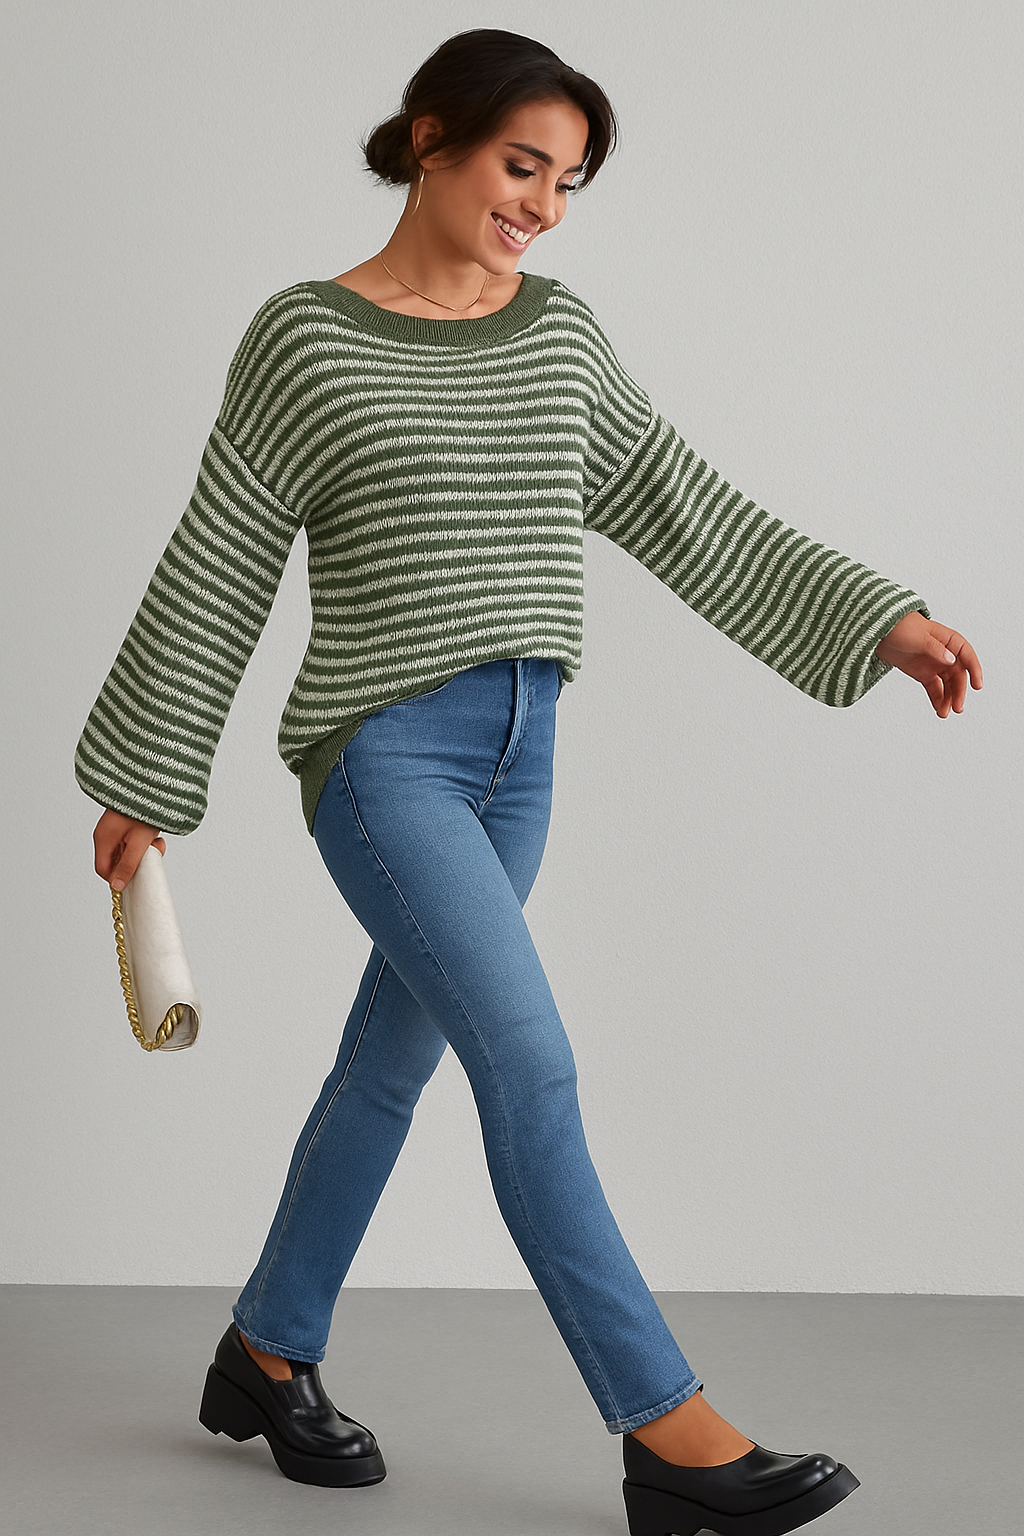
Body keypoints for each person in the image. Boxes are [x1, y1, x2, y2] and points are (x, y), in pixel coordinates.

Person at [76, 27, 982, 1536]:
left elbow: (681, 504)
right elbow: (220, 557)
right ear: (431, 137)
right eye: (522, 165)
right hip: (386, 759)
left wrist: (874, 619)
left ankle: (266, 1350)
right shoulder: (306, 338)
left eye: (567, 182)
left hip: (521, 760)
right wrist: (148, 775)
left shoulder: (558, 335)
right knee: (531, 1068)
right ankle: (670, 1432)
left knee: (390, 1067)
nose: (544, 206)